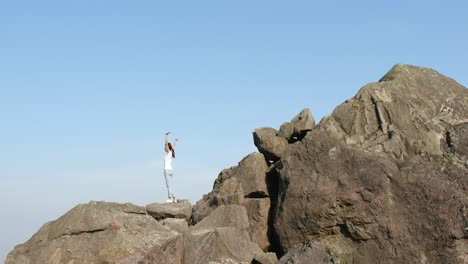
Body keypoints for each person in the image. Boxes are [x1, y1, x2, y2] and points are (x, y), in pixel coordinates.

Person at [164, 132, 179, 203]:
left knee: (168, 185)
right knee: (170, 185)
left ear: (167, 147)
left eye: (165, 146)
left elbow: (167, 144)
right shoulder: (170, 153)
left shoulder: (169, 153)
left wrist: (166, 136)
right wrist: (175, 141)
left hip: (167, 170)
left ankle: (170, 198)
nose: (164, 147)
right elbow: (173, 146)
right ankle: (174, 198)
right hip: (171, 170)